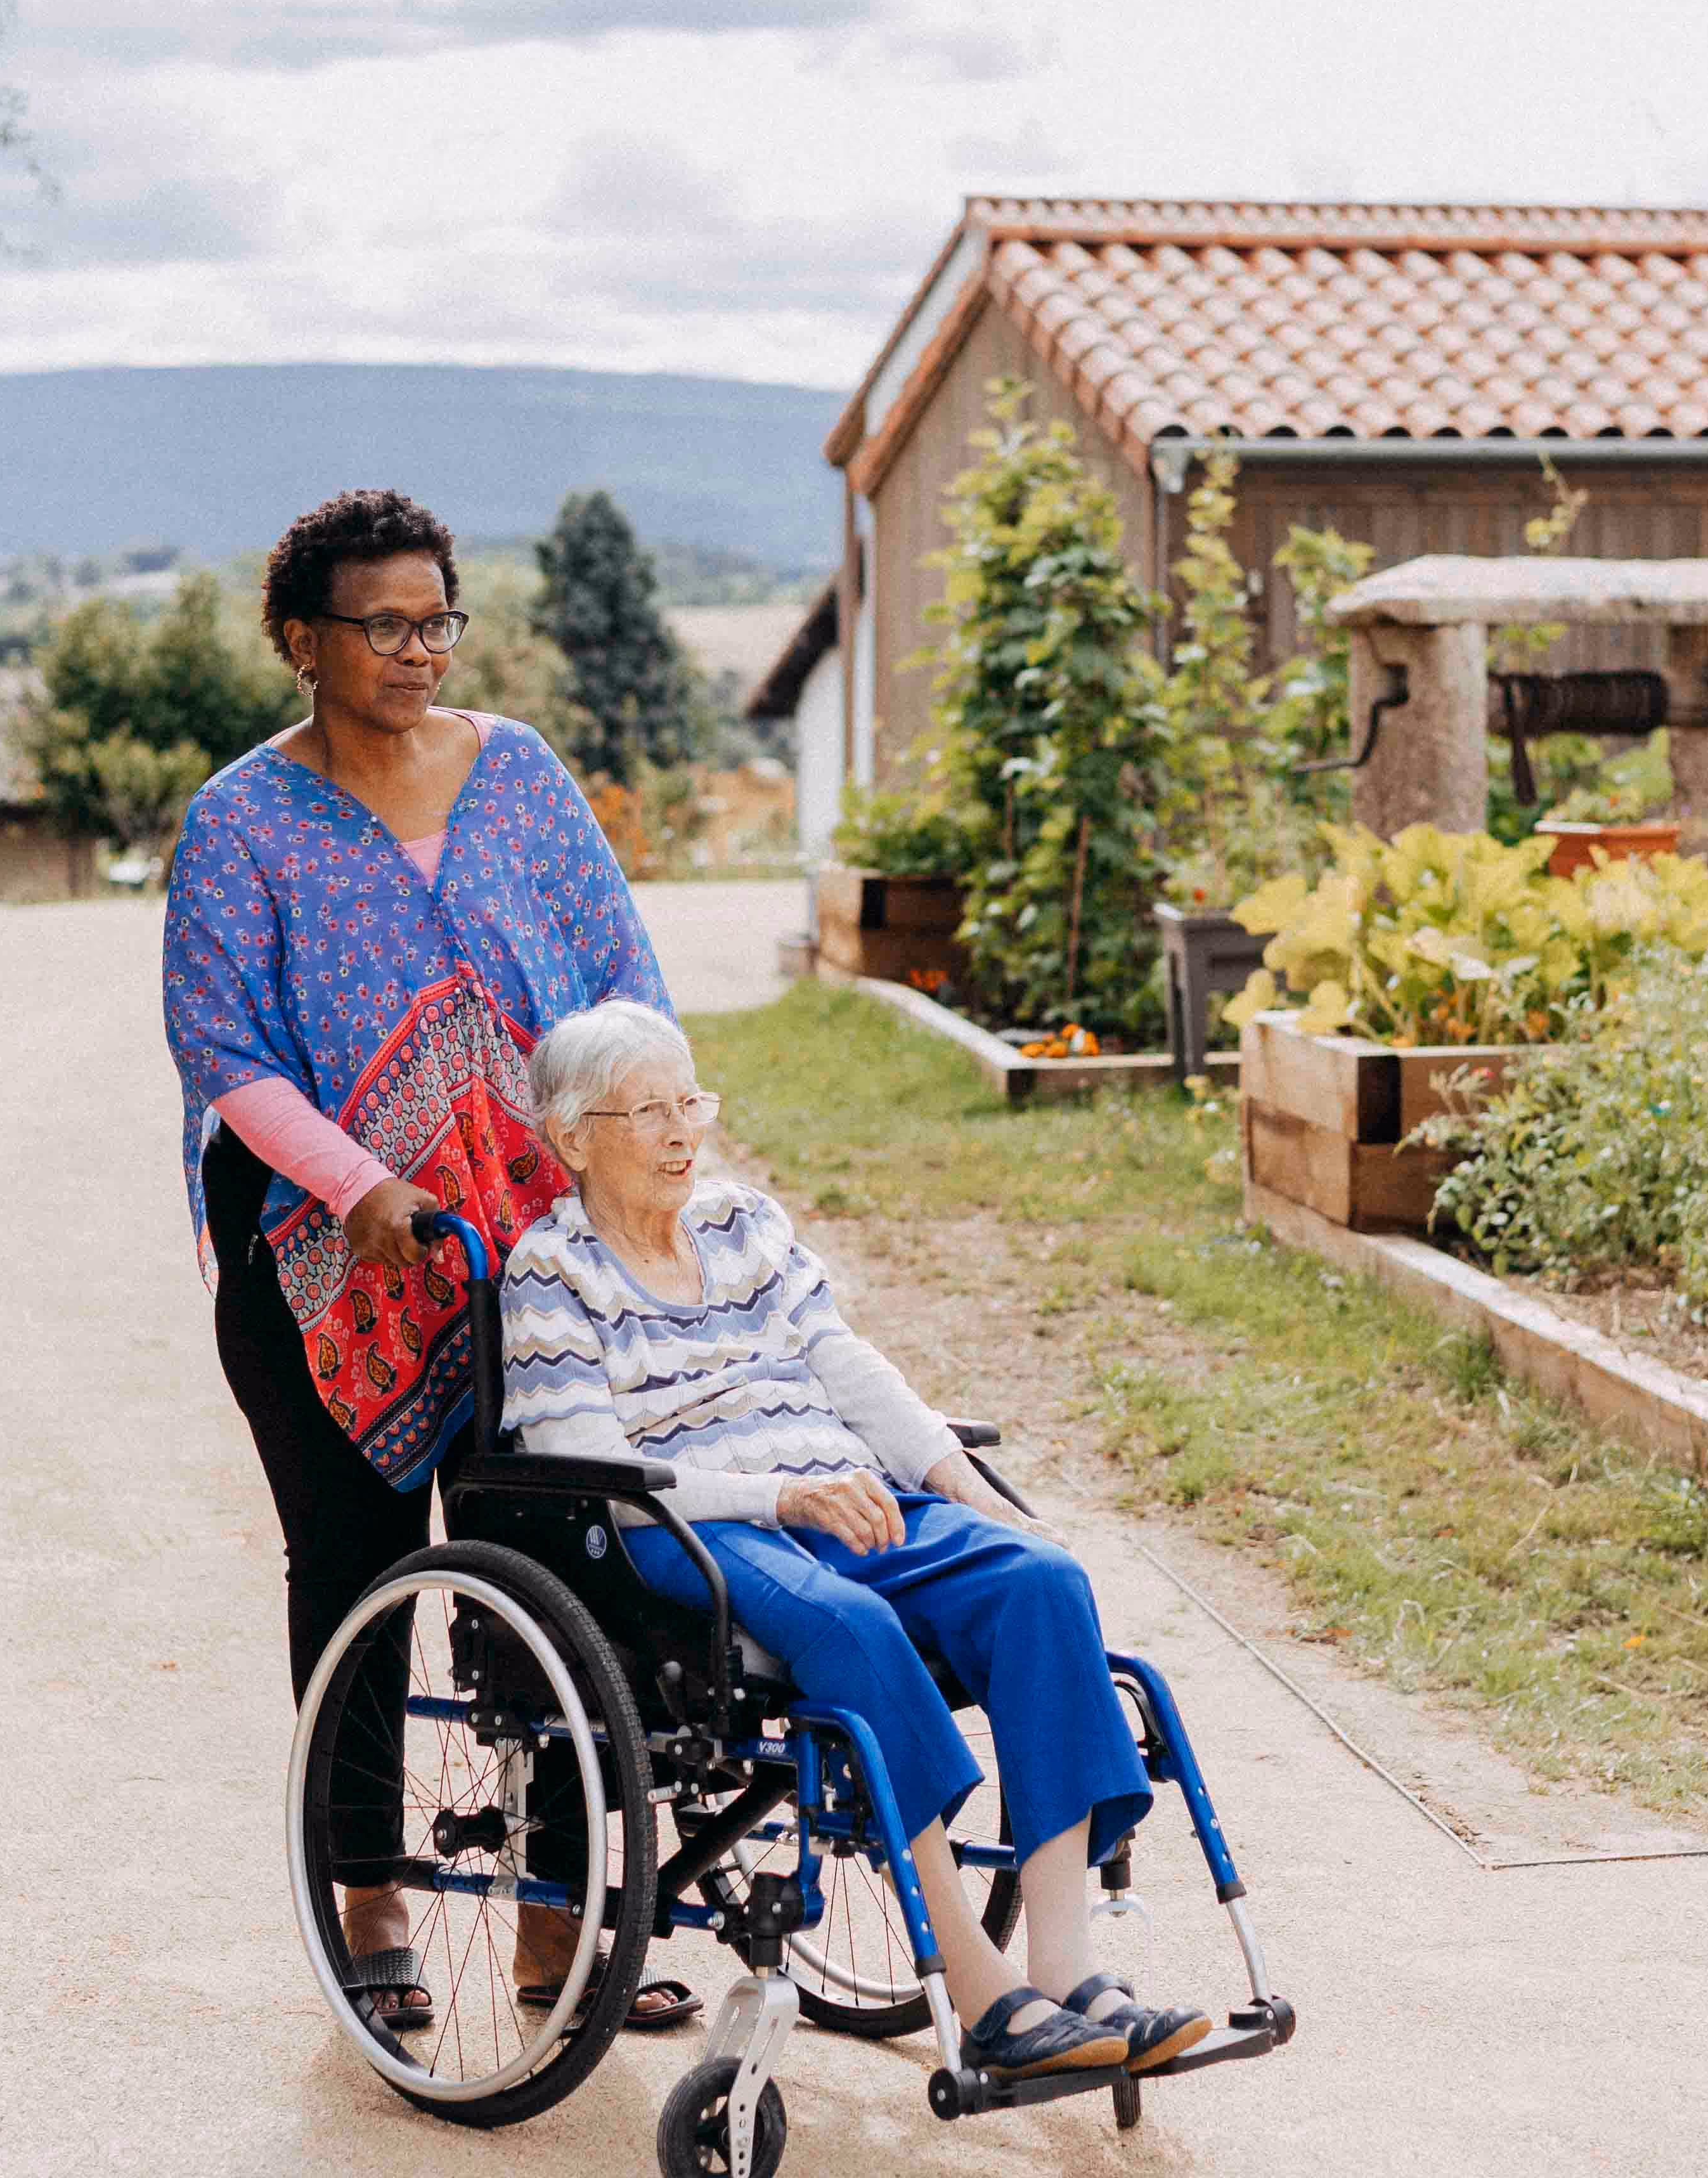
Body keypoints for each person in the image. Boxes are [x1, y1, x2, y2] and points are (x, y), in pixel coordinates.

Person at [160, 487, 695, 2037]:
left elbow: (622, 976)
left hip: (541, 1252)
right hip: (326, 1257)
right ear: (300, 638)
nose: (413, 647)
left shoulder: (518, 773)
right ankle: (373, 1893)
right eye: (380, 622)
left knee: (571, 1568)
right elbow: (225, 1049)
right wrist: (361, 1184)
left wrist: (646, 1134)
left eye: (434, 617)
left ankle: (562, 1913)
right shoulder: (242, 819)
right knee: (360, 1573)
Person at [499, 999, 1213, 2081]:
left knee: (1042, 1583)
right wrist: (777, 1500)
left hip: (845, 1491)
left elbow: (847, 1367)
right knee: (853, 1627)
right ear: (571, 1138)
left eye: (690, 1100)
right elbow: (589, 1461)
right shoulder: (551, 1271)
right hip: (688, 1526)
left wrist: (966, 1489)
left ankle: (1072, 1982)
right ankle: (985, 2000)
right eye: (646, 1110)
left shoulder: (744, 1225)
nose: (682, 1130)